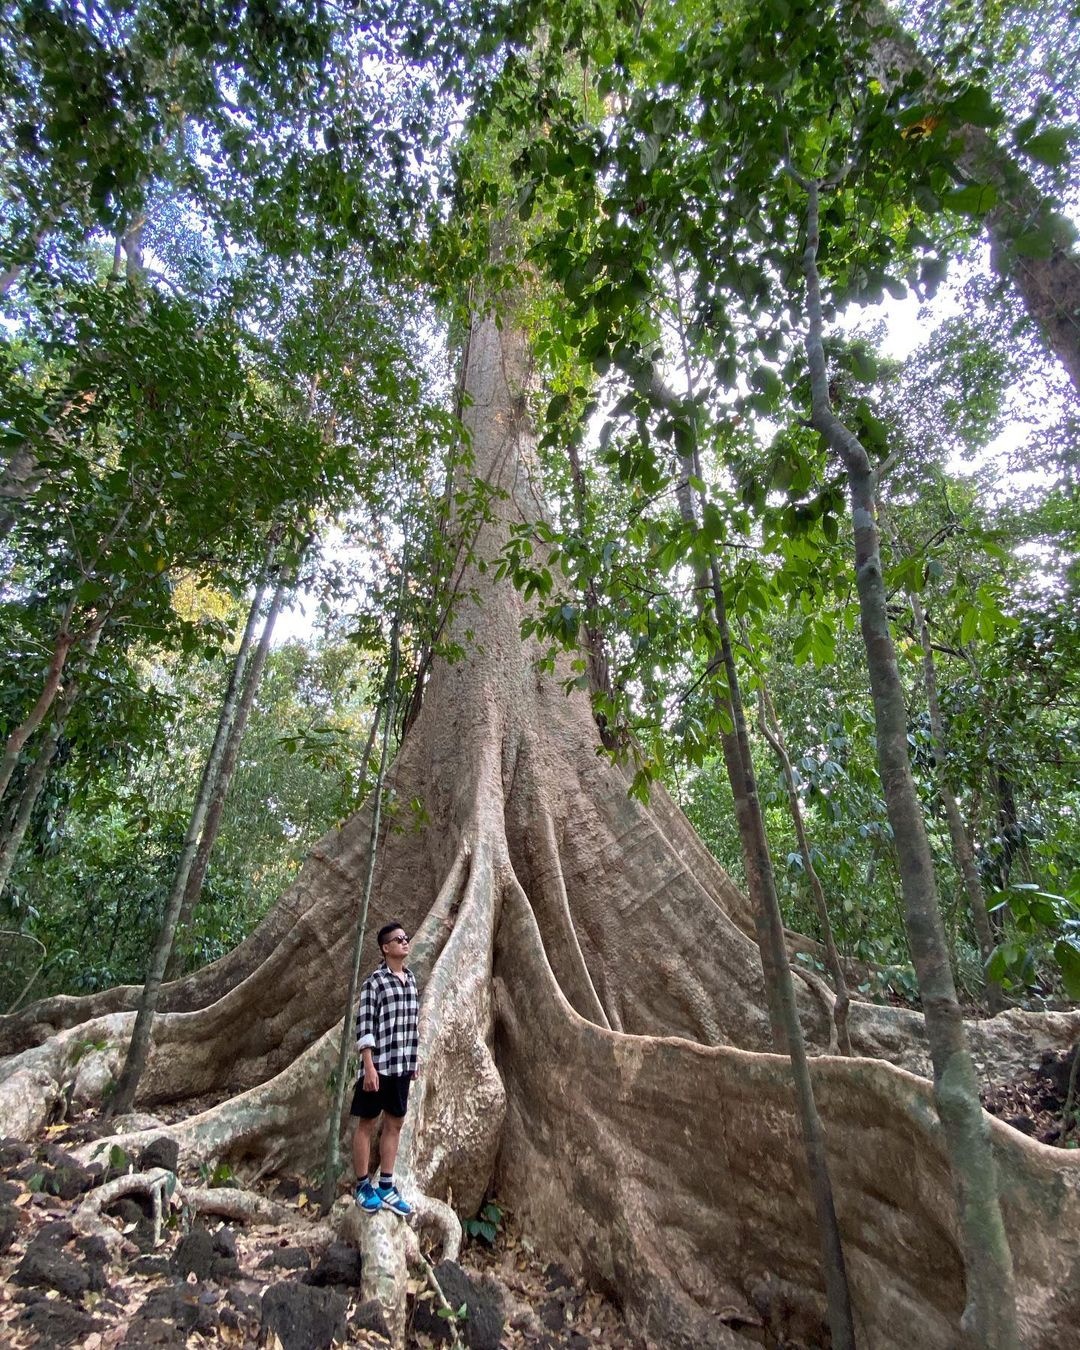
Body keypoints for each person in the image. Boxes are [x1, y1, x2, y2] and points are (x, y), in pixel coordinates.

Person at [351, 920, 419, 1216]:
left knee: (395, 1124)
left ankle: (387, 1186)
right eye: (398, 939)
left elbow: (412, 1026)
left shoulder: (412, 979)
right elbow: (365, 1026)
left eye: (406, 938)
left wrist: (413, 1062)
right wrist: (368, 1066)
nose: (405, 942)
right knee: (367, 1124)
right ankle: (363, 1185)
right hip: (378, 1067)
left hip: (401, 1066)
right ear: (385, 947)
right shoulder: (374, 983)